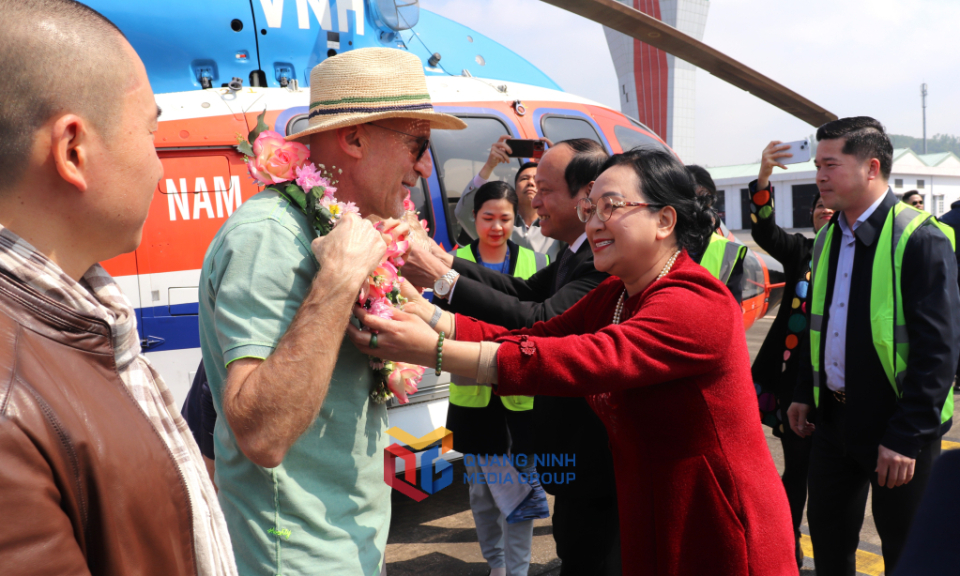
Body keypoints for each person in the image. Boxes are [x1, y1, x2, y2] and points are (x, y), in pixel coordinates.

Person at [352, 147, 797, 575]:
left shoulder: (695, 301)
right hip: (649, 506)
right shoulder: (619, 293)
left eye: (611, 206)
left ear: (664, 220)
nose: (595, 222)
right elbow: (536, 335)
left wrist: (435, 351)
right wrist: (433, 317)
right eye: (590, 209)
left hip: (715, 517)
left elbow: (584, 358)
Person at [198, 48, 466, 576]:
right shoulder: (269, 237)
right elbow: (262, 435)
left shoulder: (345, 229)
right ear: (355, 138)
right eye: (418, 143)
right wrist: (341, 280)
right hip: (297, 557)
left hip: (346, 544)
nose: (425, 165)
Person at [0, 1, 236, 575]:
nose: (160, 169)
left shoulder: (76, 323)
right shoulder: (11, 398)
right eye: (151, 132)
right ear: (73, 150)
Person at [402, 139, 620, 576]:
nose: (533, 201)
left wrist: (441, 291)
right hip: (562, 447)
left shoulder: (600, 262)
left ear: (588, 195)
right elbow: (523, 292)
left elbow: (538, 317)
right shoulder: (572, 253)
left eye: (546, 190)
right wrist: (444, 261)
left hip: (593, 455)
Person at [787, 117, 960, 576]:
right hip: (834, 421)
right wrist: (806, 390)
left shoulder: (919, 237)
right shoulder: (827, 237)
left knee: (906, 554)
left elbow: (938, 352)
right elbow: (817, 324)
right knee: (829, 543)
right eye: (816, 165)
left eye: (830, 164)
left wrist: (906, 436)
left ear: (871, 168)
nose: (819, 176)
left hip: (899, 428)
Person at [448, 180, 550, 576]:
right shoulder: (452, 261)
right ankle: (496, 563)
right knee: (481, 493)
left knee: (522, 490)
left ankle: (517, 570)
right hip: (472, 398)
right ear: (473, 219)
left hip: (521, 399)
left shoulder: (536, 264)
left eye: (505, 218)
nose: (496, 226)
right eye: (487, 217)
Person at [747, 141, 835, 570]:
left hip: (835, 388)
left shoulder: (859, 256)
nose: (824, 210)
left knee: (829, 477)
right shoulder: (801, 250)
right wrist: (764, 178)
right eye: (818, 206)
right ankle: (788, 545)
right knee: (796, 470)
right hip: (790, 385)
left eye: (830, 207)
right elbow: (764, 231)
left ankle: (829, 549)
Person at [455, 135, 560, 259]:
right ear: (515, 190)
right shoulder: (497, 227)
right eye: (524, 178)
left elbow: (580, 220)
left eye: (537, 180)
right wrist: (489, 166)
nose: (531, 182)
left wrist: (560, 166)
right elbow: (464, 214)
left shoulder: (558, 226)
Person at [686, 164, 747, 302]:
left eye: (706, 198)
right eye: (693, 199)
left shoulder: (728, 252)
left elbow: (733, 312)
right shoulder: (655, 243)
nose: (699, 206)